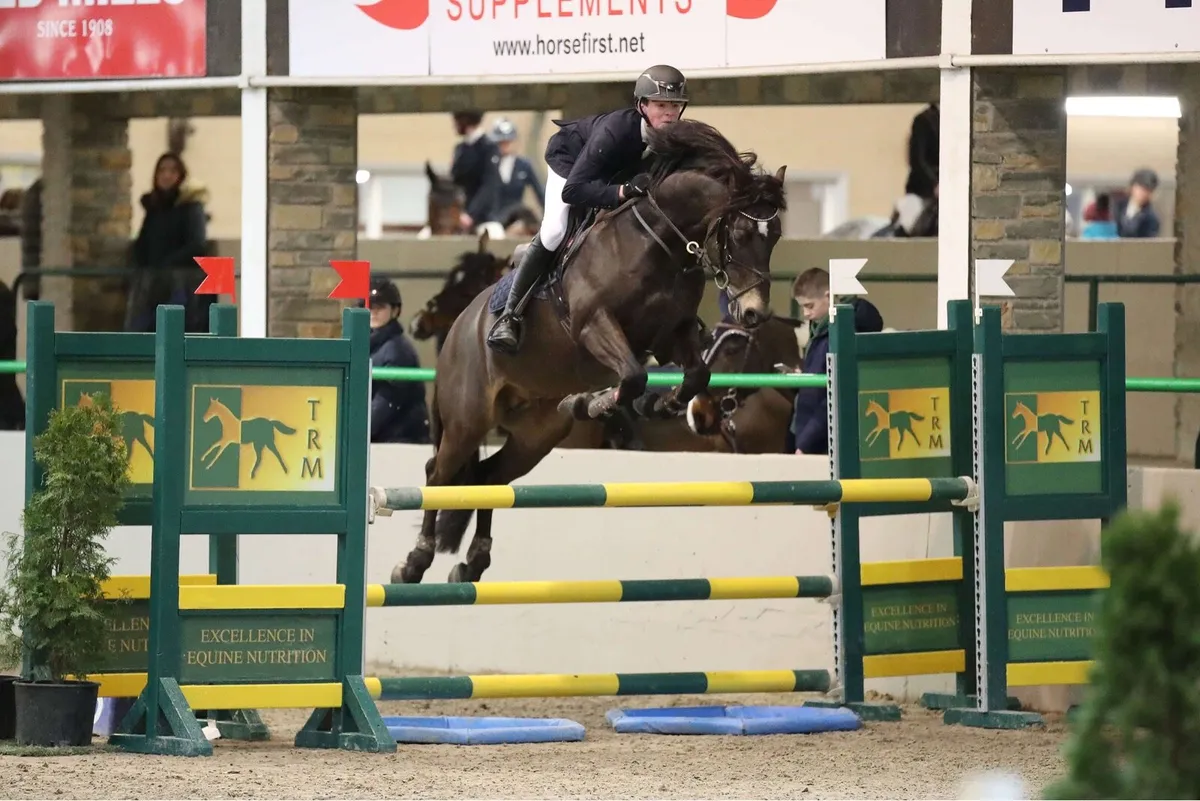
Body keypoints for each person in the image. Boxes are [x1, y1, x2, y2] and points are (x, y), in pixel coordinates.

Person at [485, 64, 689, 355]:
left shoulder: (674, 138)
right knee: (556, 230)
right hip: (570, 163)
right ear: (642, 105)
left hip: (610, 172)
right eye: (660, 105)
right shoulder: (615, 131)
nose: (669, 113)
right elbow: (575, 191)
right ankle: (510, 316)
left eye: (675, 105)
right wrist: (621, 191)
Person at [789, 267, 884, 455]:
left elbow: (833, 395)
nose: (805, 313)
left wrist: (806, 442)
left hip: (824, 441)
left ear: (828, 296)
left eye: (809, 306)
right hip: (814, 434)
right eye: (802, 307)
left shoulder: (838, 334)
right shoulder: (821, 330)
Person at [124, 153, 210, 332]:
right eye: (162, 170)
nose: (166, 175)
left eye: (172, 171)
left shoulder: (191, 208)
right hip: (150, 288)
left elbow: (197, 246)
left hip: (180, 288)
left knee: (173, 334)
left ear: (181, 176)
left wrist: (165, 265)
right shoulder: (154, 209)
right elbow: (143, 245)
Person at [362, 277, 431, 445]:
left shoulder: (397, 350)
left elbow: (386, 403)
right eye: (369, 306)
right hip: (383, 439)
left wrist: (356, 433)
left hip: (400, 441)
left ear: (394, 311)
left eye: (380, 307)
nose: (374, 312)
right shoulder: (367, 344)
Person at [450, 109, 501, 233]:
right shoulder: (460, 149)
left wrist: (471, 215)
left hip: (483, 217)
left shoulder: (489, 147)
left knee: (495, 235)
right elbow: (455, 183)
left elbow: (489, 185)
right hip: (459, 216)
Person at [489, 117, 545, 221]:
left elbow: (540, 193)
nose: (504, 146)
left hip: (516, 217)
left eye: (508, 141)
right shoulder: (489, 164)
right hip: (493, 218)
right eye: (501, 142)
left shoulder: (524, 165)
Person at [1114, 168, 1162, 238]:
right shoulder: (1118, 205)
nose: (1143, 193)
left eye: (1148, 190)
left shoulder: (1151, 219)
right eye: (1141, 188)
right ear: (1133, 186)